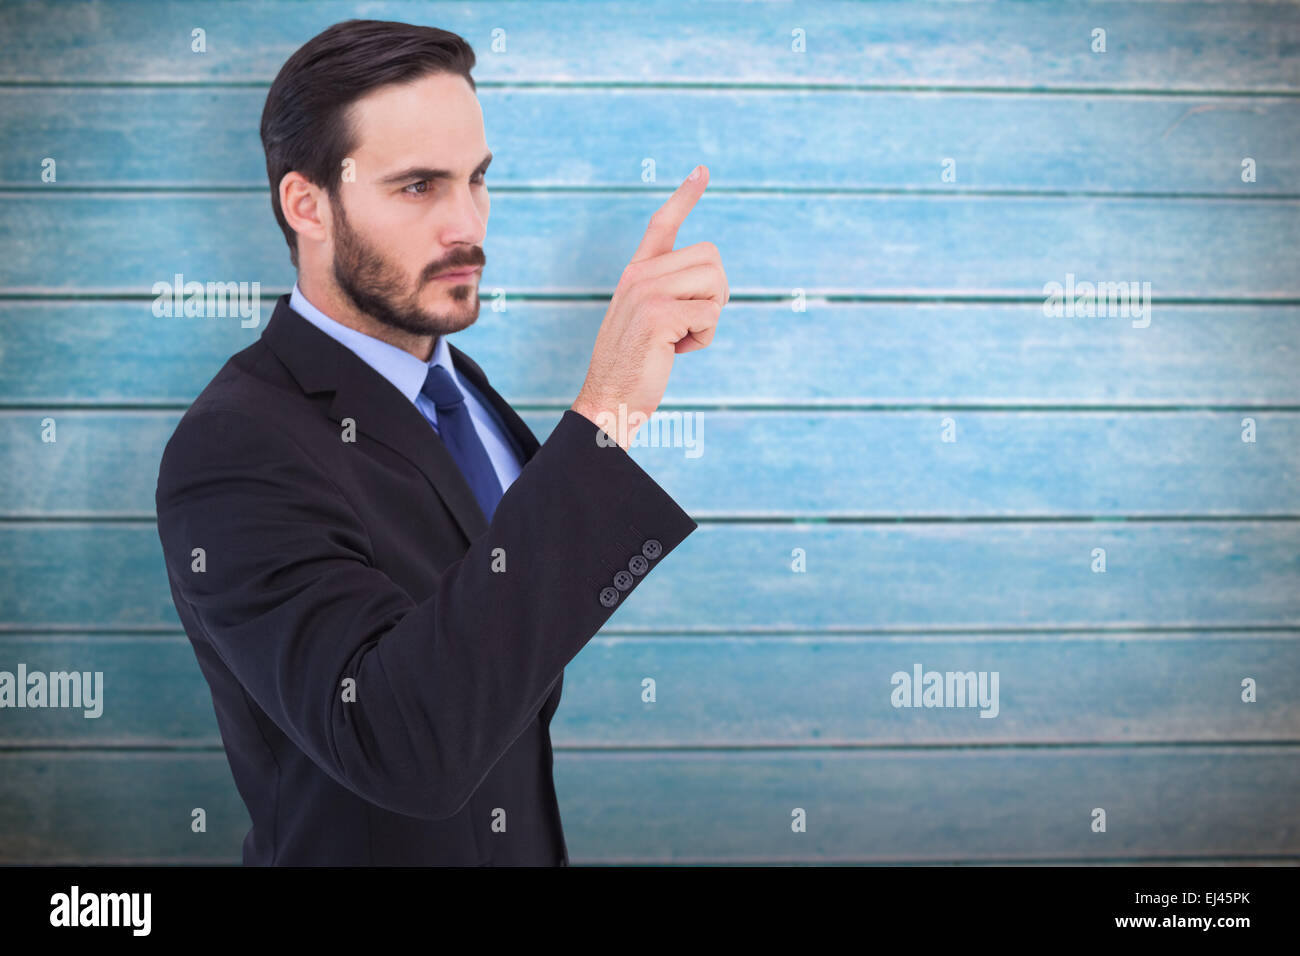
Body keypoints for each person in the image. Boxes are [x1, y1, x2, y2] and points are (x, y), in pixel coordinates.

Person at [154, 18, 727, 865]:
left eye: (478, 179)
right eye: (418, 186)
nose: (467, 225)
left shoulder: (467, 395)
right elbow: (398, 744)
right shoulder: (233, 448)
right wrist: (606, 412)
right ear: (307, 204)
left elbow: (501, 665)